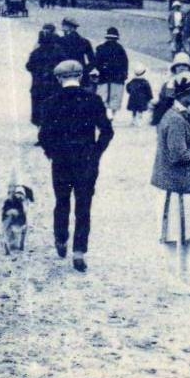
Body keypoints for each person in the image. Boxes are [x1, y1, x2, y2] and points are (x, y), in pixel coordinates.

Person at [37, 59, 114, 271]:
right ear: (80, 76)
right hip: (86, 159)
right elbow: (107, 131)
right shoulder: (93, 100)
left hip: (61, 160)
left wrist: (51, 152)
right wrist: (96, 152)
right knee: (84, 205)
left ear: (59, 78)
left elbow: (43, 135)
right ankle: (79, 251)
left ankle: (61, 238)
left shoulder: (51, 101)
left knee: (61, 201)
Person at [152, 74, 190, 295]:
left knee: (187, 232)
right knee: (172, 233)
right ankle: (174, 280)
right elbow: (177, 155)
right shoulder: (176, 119)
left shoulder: (181, 116)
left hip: (184, 183)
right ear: (183, 95)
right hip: (174, 184)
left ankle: (185, 277)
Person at [26, 23, 64, 128]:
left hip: (38, 85)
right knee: (53, 109)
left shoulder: (36, 52)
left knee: (39, 108)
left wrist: (37, 72)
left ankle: (41, 132)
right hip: (54, 85)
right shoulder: (58, 50)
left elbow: (29, 66)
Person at [151, 52, 190, 126]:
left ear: (189, 68)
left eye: (184, 65)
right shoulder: (168, 85)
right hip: (172, 121)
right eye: (178, 65)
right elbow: (163, 104)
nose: (182, 67)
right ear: (174, 68)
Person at [92, 26, 130, 118]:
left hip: (104, 76)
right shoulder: (120, 49)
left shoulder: (100, 48)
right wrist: (124, 74)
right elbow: (125, 63)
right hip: (117, 77)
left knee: (103, 95)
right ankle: (112, 113)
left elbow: (96, 62)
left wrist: (101, 69)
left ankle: (105, 112)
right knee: (115, 96)